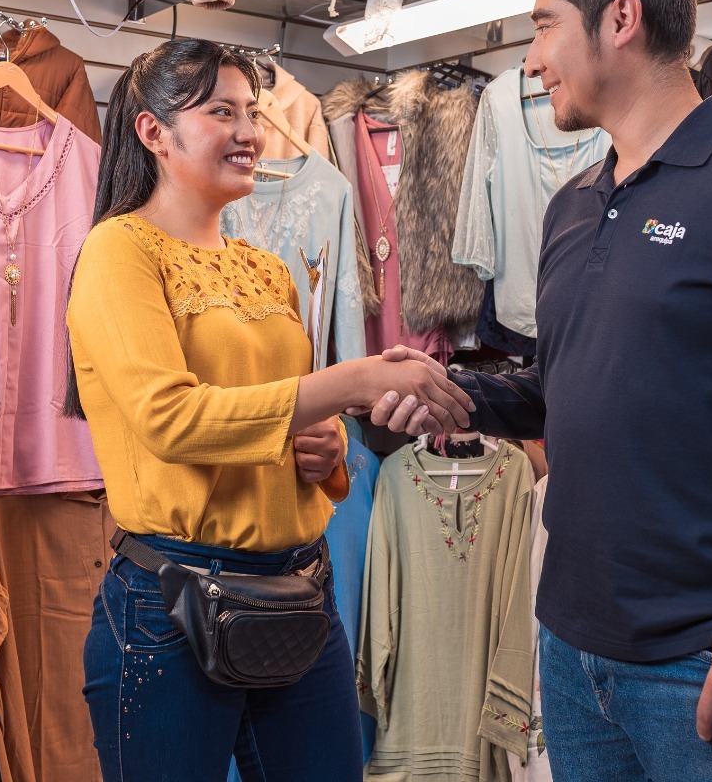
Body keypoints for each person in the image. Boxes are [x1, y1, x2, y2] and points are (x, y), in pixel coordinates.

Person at [370, 0, 712, 779]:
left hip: (707, 660)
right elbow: (564, 384)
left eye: (544, 27)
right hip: (575, 656)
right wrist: (452, 393)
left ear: (620, 19)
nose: (533, 60)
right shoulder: (574, 205)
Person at [64, 39, 475, 782]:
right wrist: (350, 382)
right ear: (153, 132)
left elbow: (289, 417)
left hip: (298, 595)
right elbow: (172, 420)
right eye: (222, 113)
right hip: (172, 606)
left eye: (251, 112)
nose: (251, 132)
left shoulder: (267, 268)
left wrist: (326, 452)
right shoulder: (119, 252)